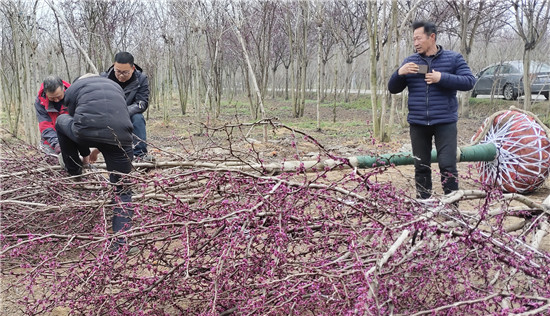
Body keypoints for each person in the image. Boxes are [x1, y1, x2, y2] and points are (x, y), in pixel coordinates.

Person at [388, 21, 476, 200]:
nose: (416, 43)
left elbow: (469, 81)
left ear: (432, 37)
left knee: (447, 165)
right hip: (418, 122)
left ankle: (452, 207)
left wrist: (441, 77)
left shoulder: (453, 58)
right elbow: (393, 89)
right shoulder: (410, 62)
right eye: (413, 39)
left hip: (445, 122)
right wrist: (400, 73)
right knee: (421, 166)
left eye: (419, 38)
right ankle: (424, 205)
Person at [55, 73, 134, 254]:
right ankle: (121, 244)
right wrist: (94, 151)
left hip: (87, 131)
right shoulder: (117, 87)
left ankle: (74, 169)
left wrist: (84, 154)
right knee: (123, 189)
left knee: (61, 121)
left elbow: (76, 120)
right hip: (123, 137)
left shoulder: (74, 88)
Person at [101, 51, 152, 161]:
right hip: (110, 114)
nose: (120, 75)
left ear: (132, 69)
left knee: (138, 118)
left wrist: (123, 112)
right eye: (118, 71)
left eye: (125, 73)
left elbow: (142, 103)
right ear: (114, 66)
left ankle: (140, 155)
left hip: (131, 112)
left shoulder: (141, 79)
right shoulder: (104, 79)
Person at [34, 75, 70, 155]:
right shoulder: (40, 102)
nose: (56, 100)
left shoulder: (73, 95)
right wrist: (56, 143)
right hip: (50, 141)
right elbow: (45, 125)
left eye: (59, 96)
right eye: (52, 98)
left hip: (71, 138)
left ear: (63, 88)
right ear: (45, 93)